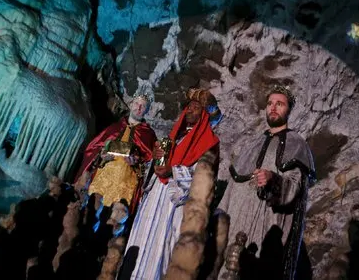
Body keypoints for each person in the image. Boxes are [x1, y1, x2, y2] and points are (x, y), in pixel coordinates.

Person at [118, 88, 222, 280]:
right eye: (188, 106)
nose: (189, 110)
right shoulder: (175, 137)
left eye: (196, 107)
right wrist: (155, 160)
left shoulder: (210, 144)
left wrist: (172, 171)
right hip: (155, 199)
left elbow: (204, 178)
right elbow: (157, 168)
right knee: (140, 246)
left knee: (160, 252)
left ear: (205, 114)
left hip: (173, 205)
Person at [217, 85, 315, 280]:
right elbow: (232, 186)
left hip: (267, 221)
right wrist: (219, 217)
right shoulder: (252, 143)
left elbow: (294, 187)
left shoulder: (297, 144)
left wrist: (274, 180)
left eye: (279, 104)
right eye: (270, 103)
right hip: (238, 218)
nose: (273, 108)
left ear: (288, 110)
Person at [75, 93, 157, 212]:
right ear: (130, 104)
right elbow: (93, 148)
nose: (138, 108)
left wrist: (137, 163)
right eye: (137, 104)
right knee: (92, 210)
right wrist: (101, 155)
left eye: (143, 106)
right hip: (102, 178)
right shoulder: (114, 127)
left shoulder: (149, 135)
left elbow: (150, 164)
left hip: (126, 184)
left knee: (115, 217)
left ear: (147, 110)